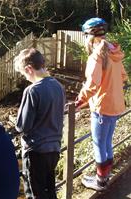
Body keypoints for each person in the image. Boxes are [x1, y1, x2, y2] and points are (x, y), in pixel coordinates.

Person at [75, 17, 128, 191]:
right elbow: (123, 77)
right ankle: (104, 176)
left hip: (102, 107)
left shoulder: (96, 56)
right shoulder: (114, 52)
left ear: (89, 37)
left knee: (99, 143)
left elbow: (92, 83)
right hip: (116, 105)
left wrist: (80, 100)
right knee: (107, 142)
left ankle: (100, 182)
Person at [14, 48, 65, 199]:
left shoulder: (32, 90)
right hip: (54, 148)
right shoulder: (57, 85)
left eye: (23, 73)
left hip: (36, 150)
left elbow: (22, 126)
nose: (25, 77)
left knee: (35, 194)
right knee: (50, 190)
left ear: (29, 69)